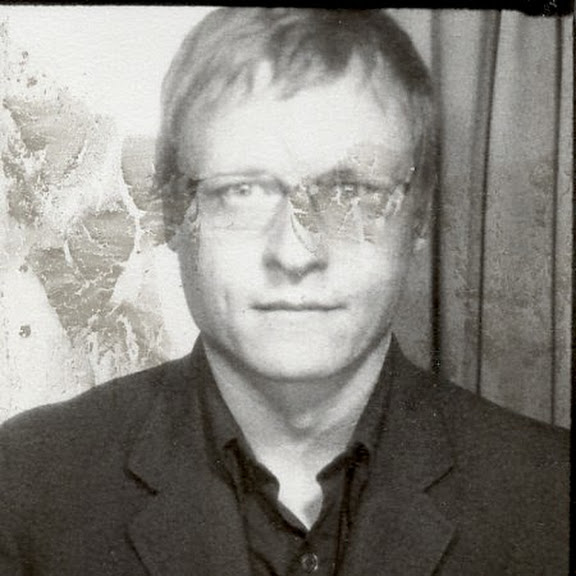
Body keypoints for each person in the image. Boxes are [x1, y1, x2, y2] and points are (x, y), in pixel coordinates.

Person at [0, 8, 569, 576]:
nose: (296, 255)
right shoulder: (21, 489)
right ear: (173, 212)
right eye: (242, 191)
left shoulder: (554, 497)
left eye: (350, 193)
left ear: (419, 219)